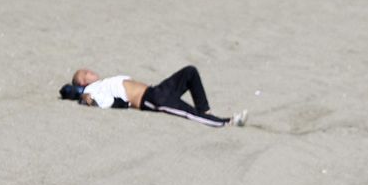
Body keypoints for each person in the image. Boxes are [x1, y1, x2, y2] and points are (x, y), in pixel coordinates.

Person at [59, 66, 245, 127]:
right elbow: (103, 102)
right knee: (187, 113)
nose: (90, 71)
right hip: (151, 100)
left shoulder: (102, 83)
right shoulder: (93, 90)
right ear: (82, 82)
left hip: (156, 90)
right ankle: (223, 123)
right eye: (86, 73)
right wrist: (88, 100)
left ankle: (206, 111)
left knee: (190, 72)